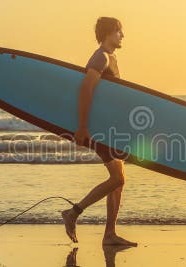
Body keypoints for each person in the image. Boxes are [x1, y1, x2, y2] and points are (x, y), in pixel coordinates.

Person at [61, 17, 137, 247]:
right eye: (119, 31)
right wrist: (83, 126)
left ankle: (110, 234)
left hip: (109, 129)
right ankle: (73, 212)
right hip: (99, 130)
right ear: (108, 33)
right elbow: (86, 88)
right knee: (117, 178)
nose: (122, 35)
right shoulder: (101, 57)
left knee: (119, 181)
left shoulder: (111, 57)